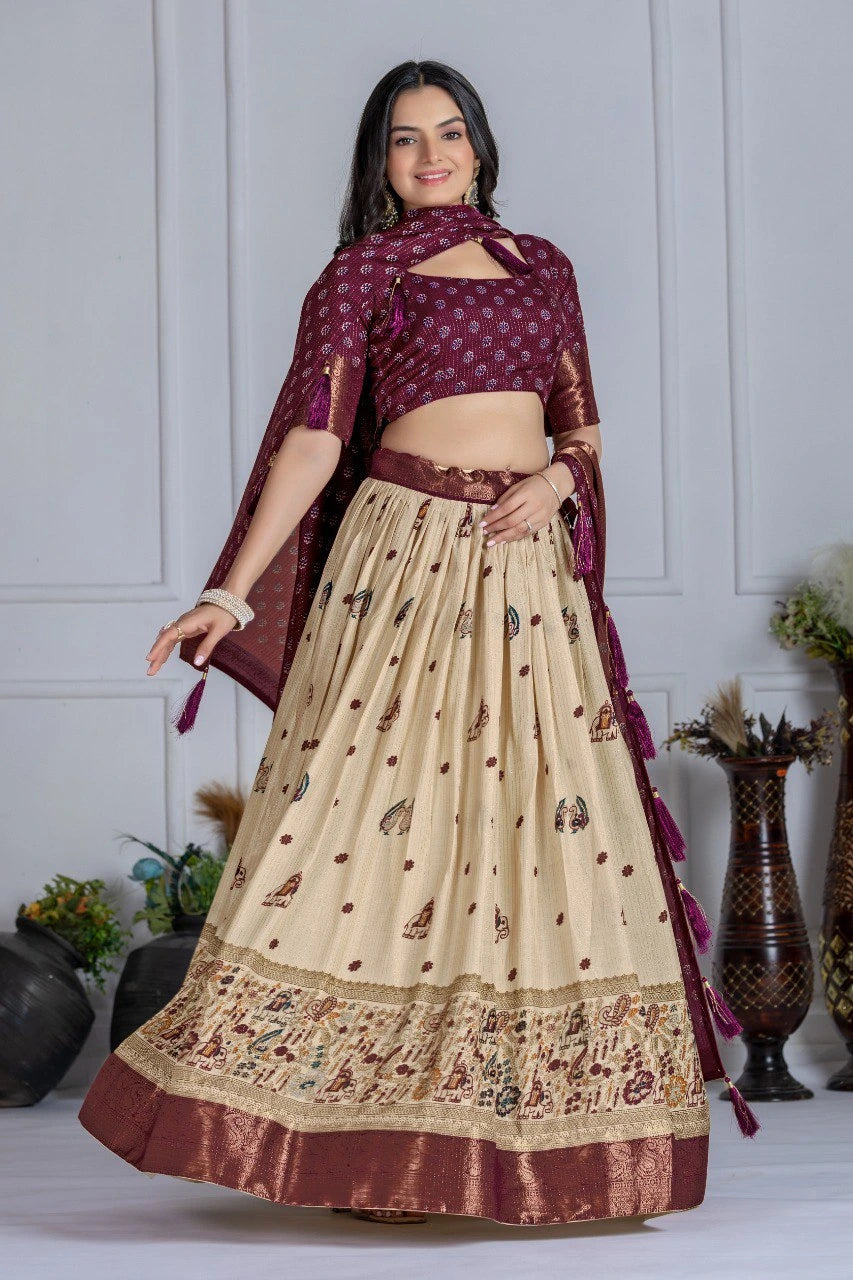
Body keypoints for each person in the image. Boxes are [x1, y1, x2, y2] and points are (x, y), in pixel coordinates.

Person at [78, 59, 758, 1228]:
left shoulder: (543, 268)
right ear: (378, 164)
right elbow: (309, 442)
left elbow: (582, 427)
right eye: (405, 140)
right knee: (366, 826)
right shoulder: (361, 274)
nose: (431, 154)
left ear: (481, 147)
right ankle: (360, 1138)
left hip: (526, 571)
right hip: (400, 561)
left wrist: (556, 476)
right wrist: (228, 593)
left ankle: (514, 1140)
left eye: (449, 133)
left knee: (532, 835)